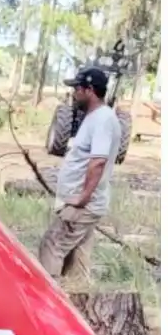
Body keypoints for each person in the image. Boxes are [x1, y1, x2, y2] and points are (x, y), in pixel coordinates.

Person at [37, 66, 122, 281]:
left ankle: (47, 301)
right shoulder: (95, 117)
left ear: (89, 90)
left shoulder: (102, 119)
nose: (74, 94)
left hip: (83, 205)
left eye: (77, 89)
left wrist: (82, 198)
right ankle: (78, 298)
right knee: (78, 257)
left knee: (52, 245)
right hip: (84, 202)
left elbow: (98, 162)